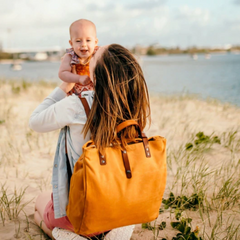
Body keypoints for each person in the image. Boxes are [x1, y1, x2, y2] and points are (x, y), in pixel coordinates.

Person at [29, 44, 150, 239]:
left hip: (80, 211)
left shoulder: (77, 104)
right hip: (119, 205)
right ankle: (115, 230)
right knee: (111, 212)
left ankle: (64, 234)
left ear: (96, 74)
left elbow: (35, 122)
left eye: (93, 57)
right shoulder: (132, 105)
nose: (90, 53)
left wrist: (65, 86)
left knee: (39, 204)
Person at [59, 19, 99, 96]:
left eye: (88, 40)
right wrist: (78, 78)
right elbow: (62, 73)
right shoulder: (70, 56)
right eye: (78, 41)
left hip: (95, 95)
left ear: (95, 42)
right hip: (75, 96)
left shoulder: (98, 55)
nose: (83, 44)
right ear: (71, 43)